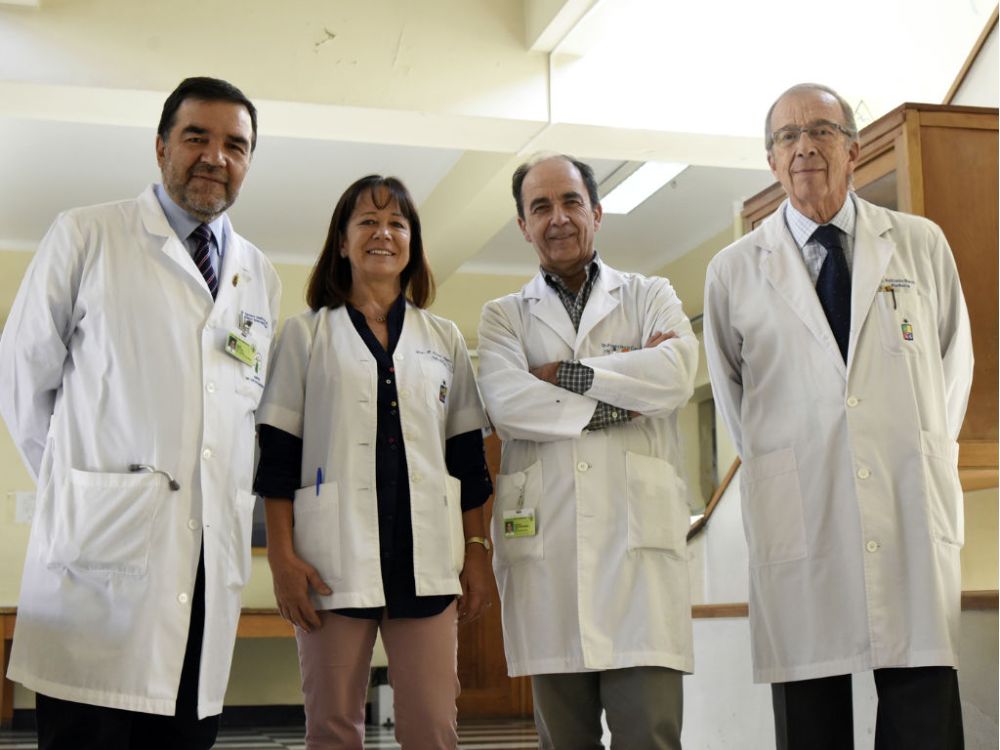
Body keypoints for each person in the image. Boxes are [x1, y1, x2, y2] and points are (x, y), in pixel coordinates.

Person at [0, 77, 281, 749]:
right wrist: (86, 494)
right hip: (97, 567)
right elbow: (21, 381)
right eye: (197, 138)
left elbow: (242, 418)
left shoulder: (258, 274)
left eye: (235, 145)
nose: (216, 157)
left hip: (206, 568)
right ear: (160, 148)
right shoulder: (86, 234)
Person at [703, 83, 973, 750]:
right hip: (802, 508)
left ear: (853, 149)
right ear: (770, 161)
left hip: (908, 499)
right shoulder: (733, 271)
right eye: (787, 137)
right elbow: (737, 404)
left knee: (923, 711)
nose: (805, 148)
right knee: (810, 720)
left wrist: (914, 451)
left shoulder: (918, 244)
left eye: (822, 130)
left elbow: (951, 365)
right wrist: (801, 453)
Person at [254, 174, 493, 749]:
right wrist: (281, 557)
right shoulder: (304, 335)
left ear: (412, 242)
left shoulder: (445, 339)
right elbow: (278, 460)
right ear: (342, 241)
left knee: (433, 727)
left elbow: (468, 460)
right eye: (367, 221)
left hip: (427, 557)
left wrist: (478, 553)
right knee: (333, 726)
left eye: (397, 223)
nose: (383, 233)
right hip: (330, 562)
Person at [477, 153, 698, 749]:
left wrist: (565, 375)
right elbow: (509, 406)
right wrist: (626, 396)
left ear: (596, 212)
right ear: (523, 225)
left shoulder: (650, 294)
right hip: (550, 560)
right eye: (540, 207)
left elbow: (675, 375)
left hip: (639, 563)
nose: (558, 219)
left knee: (649, 735)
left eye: (571, 202)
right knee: (563, 743)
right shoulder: (503, 318)